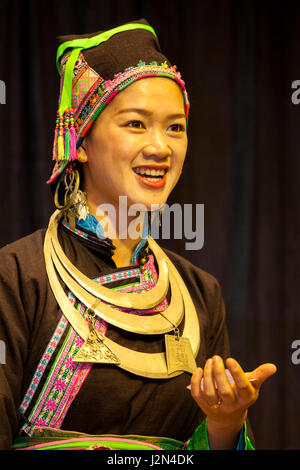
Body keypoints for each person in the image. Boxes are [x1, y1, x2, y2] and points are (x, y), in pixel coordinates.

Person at [0, 19, 276, 451]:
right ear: (81, 141)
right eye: (135, 124)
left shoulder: (200, 295)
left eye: (175, 127)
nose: (161, 147)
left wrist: (225, 423)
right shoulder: (18, 277)